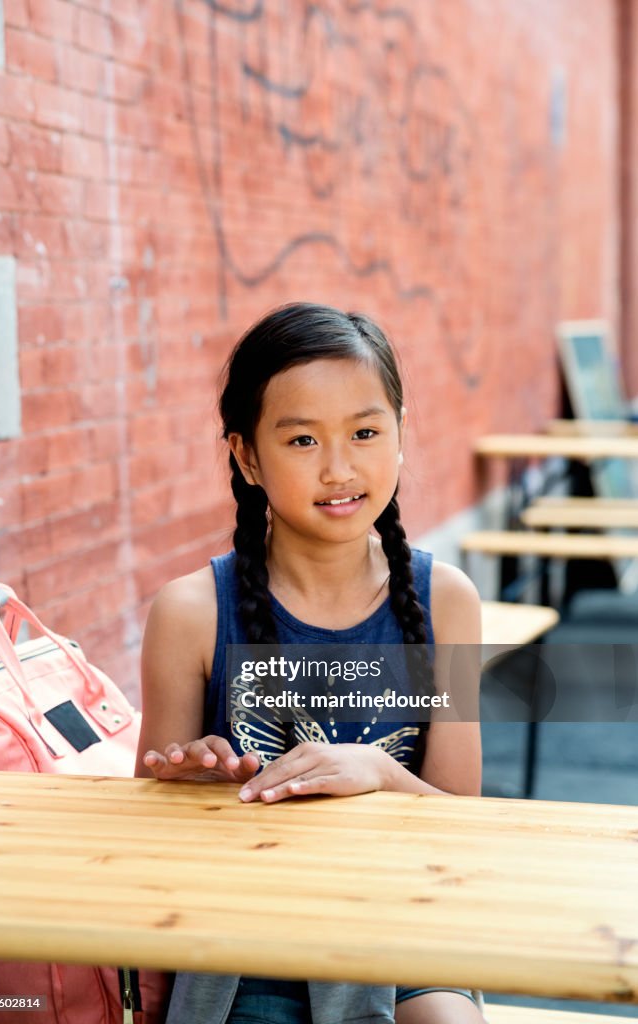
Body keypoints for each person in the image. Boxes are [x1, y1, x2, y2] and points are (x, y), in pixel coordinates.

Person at [136, 302, 484, 1024]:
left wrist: (382, 774)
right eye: (300, 440)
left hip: (402, 938)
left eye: (364, 432)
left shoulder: (445, 601)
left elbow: (465, 829)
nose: (338, 468)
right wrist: (189, 782)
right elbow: (149, 838)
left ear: (399, 433)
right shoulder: (191, 611)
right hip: (244, 948)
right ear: (246, 455)